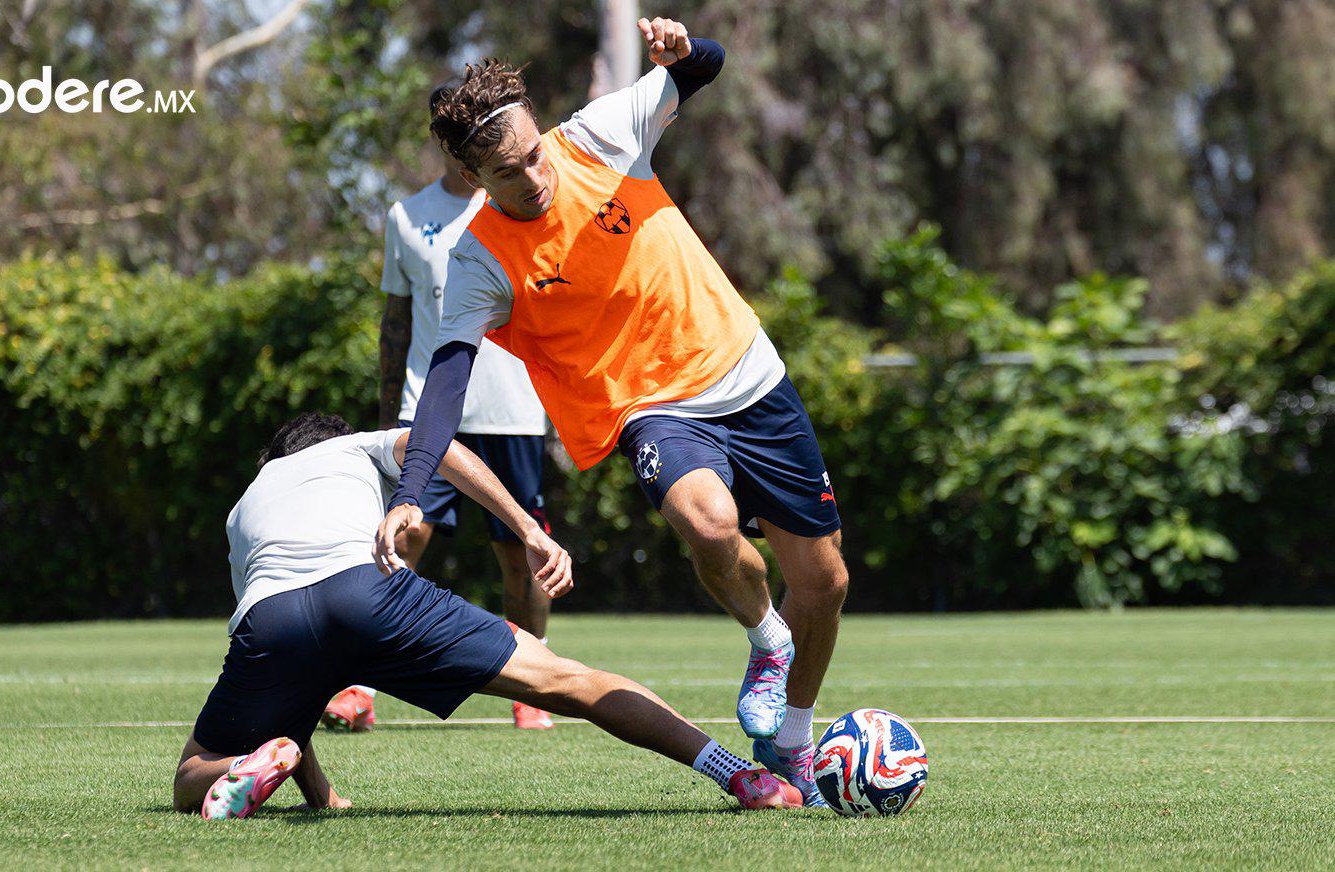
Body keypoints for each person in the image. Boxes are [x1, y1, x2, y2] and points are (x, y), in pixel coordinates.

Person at [374, 17, 848, 808]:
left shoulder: (594, 136)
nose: (535, 176)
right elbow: (446, 380)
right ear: (471, 175)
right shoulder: (479, 260)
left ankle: (792, 737)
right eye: (508, 171)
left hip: (747, 373)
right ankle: (768, 641)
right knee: (706, 522)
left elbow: (709, 68)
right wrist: (411, 489)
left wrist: (683, 51)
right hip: (650, 408)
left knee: (825, 584)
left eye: (532, 153)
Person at [173, 411, 802, 819]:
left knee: (188, 776)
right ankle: (740, 776)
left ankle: (235, 770)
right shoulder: (353, 448)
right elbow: (438, 446)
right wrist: (528, 528)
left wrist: (320, 796)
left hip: (273, 616)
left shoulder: (242, 507)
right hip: (372, 593)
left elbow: (294, 682)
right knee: (569, 680)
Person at [323, 82, 556, 734]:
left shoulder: (516, 202)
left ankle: (532, 686)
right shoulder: (407, 215)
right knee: (403, 537)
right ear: (452, 149)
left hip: (513, 410)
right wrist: (386, 415)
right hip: (428, 414)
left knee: (520, 555)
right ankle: (357, 687)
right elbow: (395, 321)